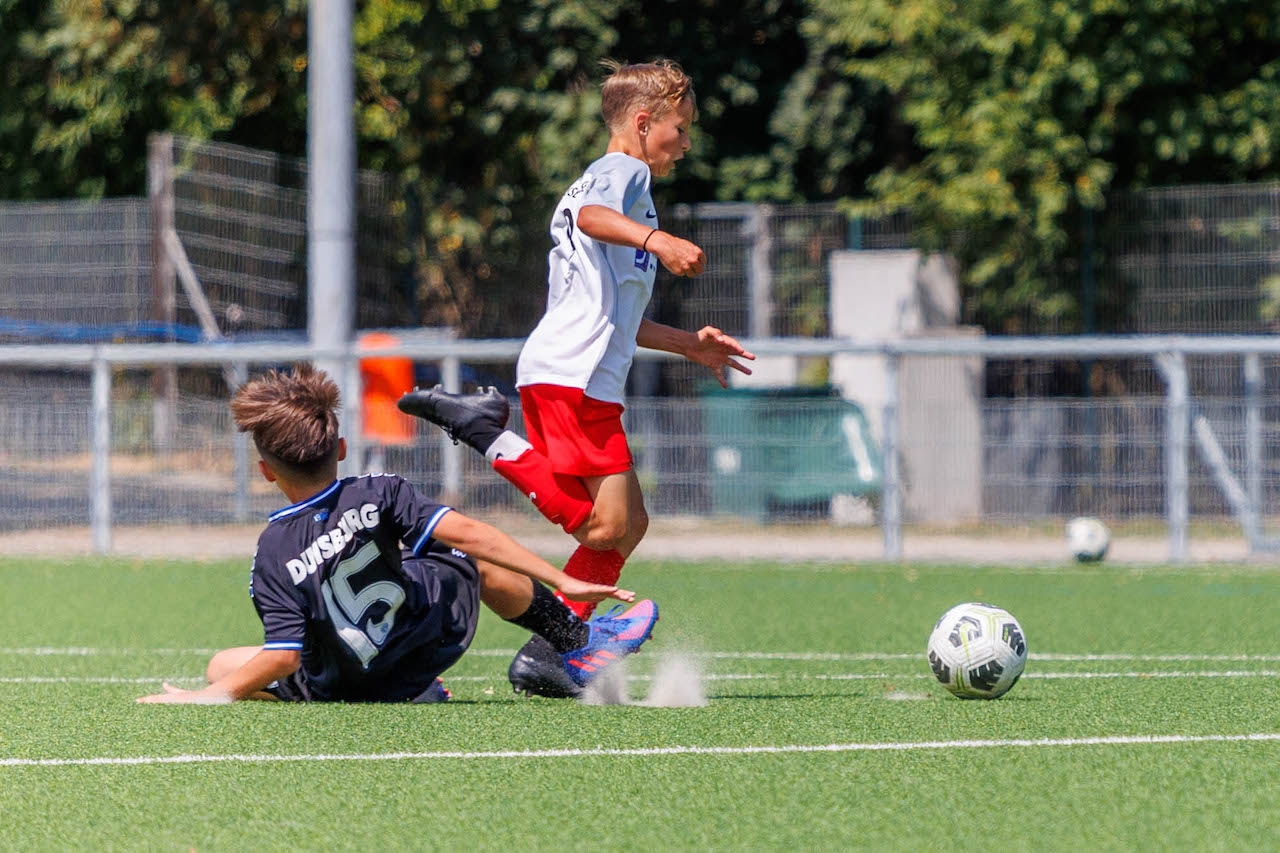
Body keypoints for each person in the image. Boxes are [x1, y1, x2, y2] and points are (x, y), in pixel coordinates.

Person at [398, 59, 753, 698]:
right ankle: (488, 436)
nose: (685, 143)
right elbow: (592, 216)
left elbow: (618, 315)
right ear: (642, 123)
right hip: (575, 374)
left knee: (627, 522)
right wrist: (660, 241)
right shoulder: (623, 173)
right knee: (607, 528)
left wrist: (687, 345)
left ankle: (555, 649)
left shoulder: (614, 185)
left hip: (572, 370)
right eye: (680, 128)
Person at [137, 363, 658, 705]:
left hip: (342, 685)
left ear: (266, 472)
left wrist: (205, 696)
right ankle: (576, 641)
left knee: (222, 666)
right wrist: (562, 581)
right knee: (467, 554)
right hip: (419, 643)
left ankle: (412, 688)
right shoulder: (378, 492)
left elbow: (283, 656)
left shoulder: (271, 550)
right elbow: (473, 535)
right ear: (341, 450)